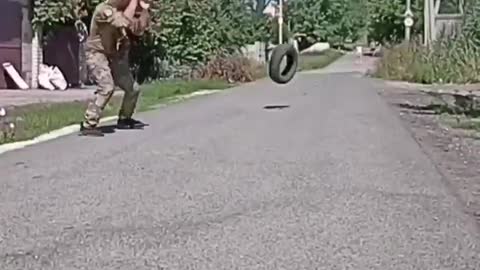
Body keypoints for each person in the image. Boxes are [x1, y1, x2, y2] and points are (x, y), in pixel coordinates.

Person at [80, 0, 151, 136]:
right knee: (107, 87)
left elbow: (139, 30)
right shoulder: (103, 10)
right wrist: (134, 3)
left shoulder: (126, 10)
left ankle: (125, 118)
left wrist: (144, 10)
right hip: (97, 53)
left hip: (115, 55)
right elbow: (123, 22)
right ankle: (89, 123)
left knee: (132, 89)